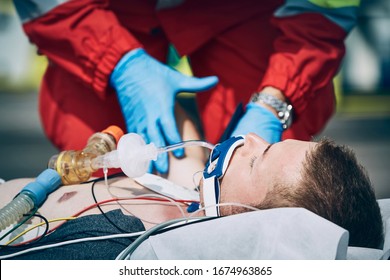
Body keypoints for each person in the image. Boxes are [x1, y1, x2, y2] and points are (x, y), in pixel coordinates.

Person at [12, 0, 361, 174]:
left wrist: (273, 101)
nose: (253, 145)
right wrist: (119, 63)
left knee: (282, 154)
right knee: (99, 161)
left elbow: (326, 9)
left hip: (242, 9)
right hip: (104, 10)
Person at [0, 133, 384, 259]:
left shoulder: (119, 244)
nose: (249, 139)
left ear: (254, 221)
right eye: (271, 142)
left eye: (258, 158)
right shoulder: (184, 195)